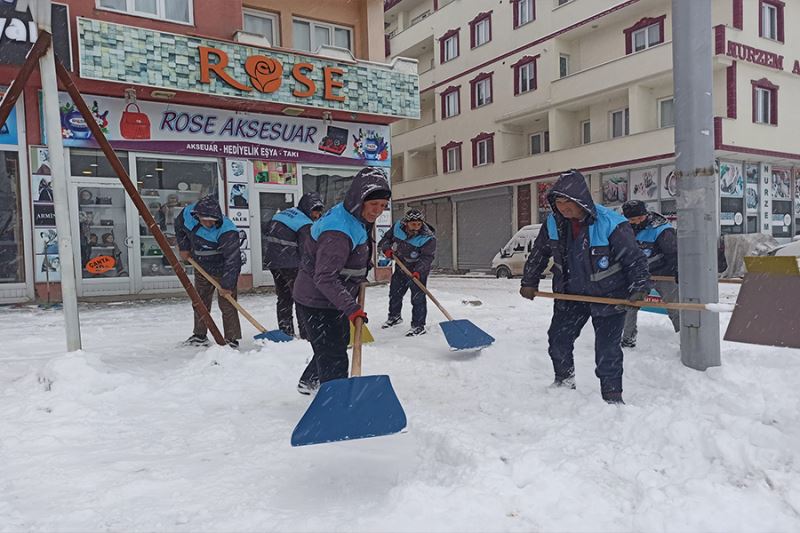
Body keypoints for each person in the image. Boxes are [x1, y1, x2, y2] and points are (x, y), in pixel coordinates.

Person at [519, 170, 651, 405]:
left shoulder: (611, 223)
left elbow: (634, 259)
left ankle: (612, 397)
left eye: (567, 203)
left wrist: (639, 286)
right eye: (558, 203)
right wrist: (529, 281)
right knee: (558, 339)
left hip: (609, 296)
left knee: (607, 349)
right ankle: (563, 381)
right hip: (570, 294)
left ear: (581, 201)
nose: (562, 208)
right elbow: (539, 252)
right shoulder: (554, 223)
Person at [292, 168, 391, 395]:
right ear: (360, 199)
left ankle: (309, 382)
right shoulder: (338, 230)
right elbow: (325, 277)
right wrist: (351, 307)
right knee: (334, 355)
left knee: (331, 346)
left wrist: (358, 275)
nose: (378, 211)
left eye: (383, 205)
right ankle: (334, 403)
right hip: (318, 299)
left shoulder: (351, 215)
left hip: (330, 297)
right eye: (374, 204)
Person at [175, 195, 242, 348]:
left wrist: (227, 285)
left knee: (228, 304)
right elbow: (179, 228)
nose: (209, 224)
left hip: (222, 268)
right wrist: (184, 248)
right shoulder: (187, 215)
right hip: (201, 266)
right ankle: (199, 335)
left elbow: (233, 260)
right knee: (200, 301)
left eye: (212, 221)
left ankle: (231, 339)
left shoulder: (228, 230)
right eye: (205, 220)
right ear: (197, 216)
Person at [262, 192, 325, 338]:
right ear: (307, 208)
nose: (317, 215)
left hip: (273, 262)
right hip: (291, 265)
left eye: (319, 211)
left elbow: (266, 229)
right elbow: (307, 251)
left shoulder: (284, 213)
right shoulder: (304, 224)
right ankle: (306, 333)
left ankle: (285, 331)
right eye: (315, 211)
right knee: (301, 297)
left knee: (284, 297)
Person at [620, 200, 679, 348]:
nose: (637, 222)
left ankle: (683, 337)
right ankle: (628, 338)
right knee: (630, 304)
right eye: (632, 219)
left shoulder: (662, 229)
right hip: (639, 275)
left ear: (646, 214)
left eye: (640, 218)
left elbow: (673, 254)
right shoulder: (626, 229)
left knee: (675, 306)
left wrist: (676, 271)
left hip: (663, 274)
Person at [378, 208, 436, 336]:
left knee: (417, 297)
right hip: (401, 265)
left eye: (419, 224)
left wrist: (418, 271)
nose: (416, 227)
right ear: (406, 223)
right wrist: (387, 249)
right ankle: (394, 317)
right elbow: (386, 239)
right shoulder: (397, 228)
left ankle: (418, 325)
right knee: (395, 293)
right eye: (413, 224)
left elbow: (427, 258)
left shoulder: (428, 238)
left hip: (417, 269)